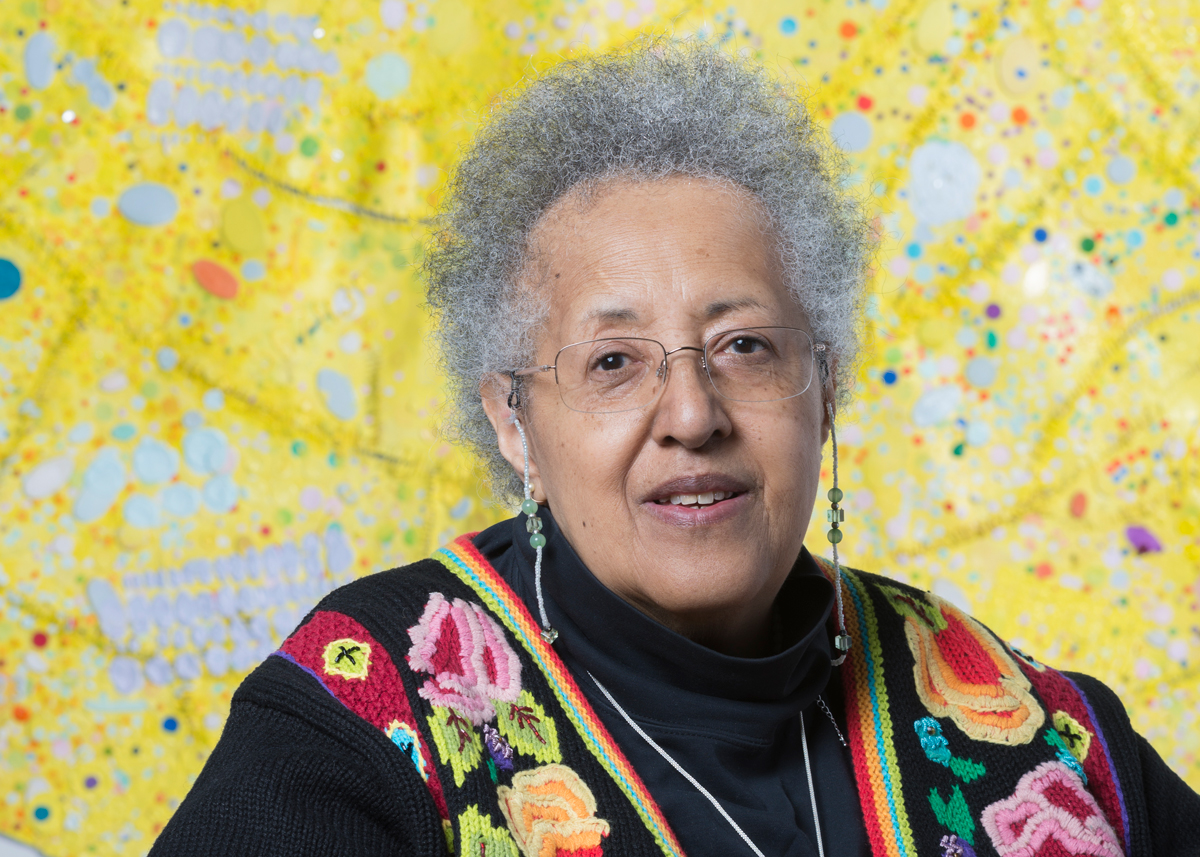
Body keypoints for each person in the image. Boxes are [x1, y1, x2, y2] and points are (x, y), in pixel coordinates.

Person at [149, 40, 1200, 857]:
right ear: (514, 418)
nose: (692, 412)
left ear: (823, 387)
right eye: (614, 361)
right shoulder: (361, 718)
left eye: (744, 345)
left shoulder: (1036, 728)